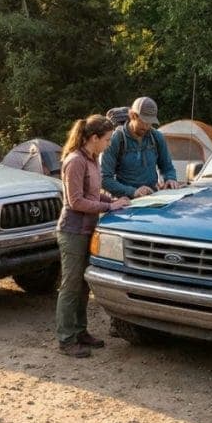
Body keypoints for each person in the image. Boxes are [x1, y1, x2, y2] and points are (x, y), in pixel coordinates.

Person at [55, 114, 130, 358]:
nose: (109, 144)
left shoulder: (93, 159)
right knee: (70, 285)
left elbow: (95, 194)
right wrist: (109, 207)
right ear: (94, 138)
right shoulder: (75, 161)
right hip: (73, 231)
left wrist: (116, 201)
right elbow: (76, 201)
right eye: (107, 140)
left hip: (88, 229)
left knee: (83, 284)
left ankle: (80, 331)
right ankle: (66, 339)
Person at [101, 96, 178, 198]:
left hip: (153, 197)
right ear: (133, 115)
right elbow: (104, 179)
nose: (146, 126)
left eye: (150, 122)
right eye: (143, 121)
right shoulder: (116, 139)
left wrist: (170, 178)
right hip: (125, 201)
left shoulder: (157, 137)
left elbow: (167, 167)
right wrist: (133, 191)